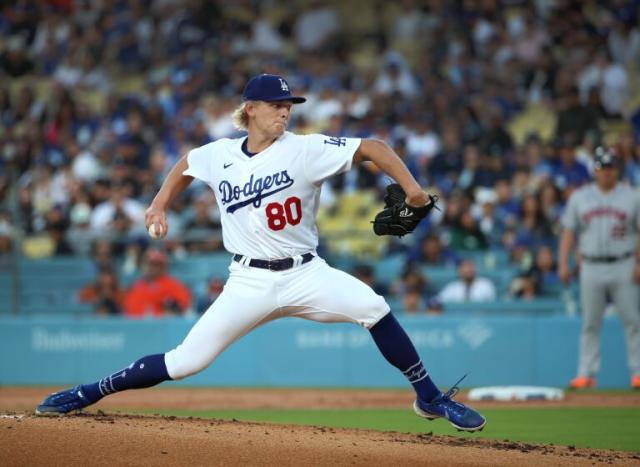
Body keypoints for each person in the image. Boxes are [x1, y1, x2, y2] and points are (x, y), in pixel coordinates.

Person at [35, 74, 485, 431]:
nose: (285, 113)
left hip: (306, 273)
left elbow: (373, 147)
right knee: (185, 362)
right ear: (250, 109)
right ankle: (88, 392)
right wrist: (158, 203)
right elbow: (187, 164)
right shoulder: (219, 154)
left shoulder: (305, 150)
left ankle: (429, 396)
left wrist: (413, 190)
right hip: (248, 282)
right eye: (276, 105)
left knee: (374, 306)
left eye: (289, 106)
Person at [559, 147, 640, 390]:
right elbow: (568, 232)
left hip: (623, 263)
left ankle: (638, 372)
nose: (606, 172)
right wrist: (563, 263)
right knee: (590, 322)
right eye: (602, 167)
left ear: (617, 169)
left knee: (633, 321)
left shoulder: (632, 195)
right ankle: (586, 374)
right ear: (595, 169)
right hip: (591, 265)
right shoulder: (580, 197)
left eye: (610, 167)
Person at [123, 249, 192, 318]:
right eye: (149, 264)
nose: (152, 268)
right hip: (134, 325)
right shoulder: (136, 286)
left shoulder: (174, 285)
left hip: (162, 326)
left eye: (156, 265)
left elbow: (183, 308)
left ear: (163, 267)